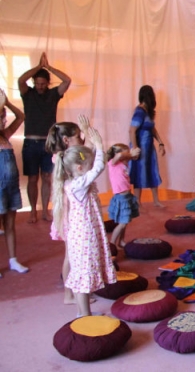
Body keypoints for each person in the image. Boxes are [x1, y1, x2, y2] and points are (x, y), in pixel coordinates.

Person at [51, 127, 116, 317]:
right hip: (84, 237)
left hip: (81, 236)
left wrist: (93, 147)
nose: (91, 168)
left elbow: (91, 164)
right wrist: (99, 145)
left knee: (82, 274)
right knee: (83, 276)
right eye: (88, 165)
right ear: (80, 168)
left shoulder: (73, 182)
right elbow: (99, 168)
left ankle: (83, 313)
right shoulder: (78, 185)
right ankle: (84, 315)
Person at [18, 52, 71, 223]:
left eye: (43, 84)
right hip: (31, 142)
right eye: (37, 83)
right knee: (33, 178)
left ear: (48, 83)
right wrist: (38, 67)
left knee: (47, 178)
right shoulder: (28, 93)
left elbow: (67, 80)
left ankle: (45, 211)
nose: (40, 87)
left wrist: (48, 67)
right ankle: (33, 211)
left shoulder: (53, 94)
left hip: (49, 143)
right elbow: (21, 80)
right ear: (34, 82)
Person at [46, 117, 93, 304]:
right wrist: (88, 132)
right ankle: (69, 294)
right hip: (70, 214)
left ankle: (75, 292)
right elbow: (88, 153)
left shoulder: (66, 156)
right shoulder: (64, 158)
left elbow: (86, 154)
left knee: (72, 255)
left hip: (72, 211)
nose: (81, 140)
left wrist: (86, 134)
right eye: (78, 136)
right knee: (70, 256)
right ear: (66, 140)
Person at [0, 92, 29, 276]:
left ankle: (13, 260)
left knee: (10, 225)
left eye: (4, 117)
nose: (4, 120)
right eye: (1, 117)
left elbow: (21, 116)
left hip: (11, 187)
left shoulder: (6, 135)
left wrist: (7, 103)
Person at [129, 85, 166, 208]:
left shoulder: (147, 112)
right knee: (138, 173)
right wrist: (135, 149)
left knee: (152, 171)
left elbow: (152, 129)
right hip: (140, 148)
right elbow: (132, 131)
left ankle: (156, 200)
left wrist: (160, 142)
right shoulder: (139, 111)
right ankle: (137, 201)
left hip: (149, 148)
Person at [106, 143, 141, 248]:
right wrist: (130, 154)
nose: (128, 154)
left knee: (125, 221)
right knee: (123, 223)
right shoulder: (112, 163)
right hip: (121, 198)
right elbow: (120, 155)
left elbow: (134, 157)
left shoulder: (124, 163)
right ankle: (112, 244)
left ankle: (121, 241)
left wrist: (134, 152)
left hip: (127, 196)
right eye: (127, 152)